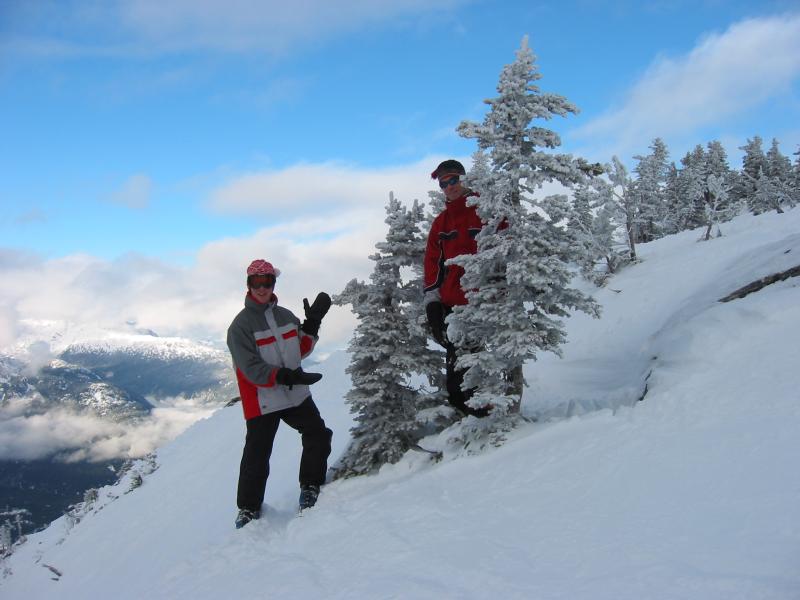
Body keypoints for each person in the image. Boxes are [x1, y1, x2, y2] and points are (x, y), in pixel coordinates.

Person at [227, 259, 333, 528]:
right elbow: (250, 369)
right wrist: (283, 376)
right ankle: (248, 509)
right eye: (256, 283)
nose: (262, 288)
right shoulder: (240, 327)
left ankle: (310, 485)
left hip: (294, 392)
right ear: (248, 285)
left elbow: (301, 350)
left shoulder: (286, 316)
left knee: (318, 434)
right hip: (262, 399)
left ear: (274, 283)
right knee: (257, 454)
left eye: (267, 282)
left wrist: (312, 325)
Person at [423, 159, 492, 418]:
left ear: (464, 180)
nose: (449, 186)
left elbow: (506, 250)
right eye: (444, 183)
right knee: (457, 382)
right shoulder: (441, 223)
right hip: (455, 305)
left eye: (453, 180)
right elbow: (433, 265)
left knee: (480, 371)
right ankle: (474, 420)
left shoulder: (486, 211)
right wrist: (432, 303)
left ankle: (495, 422)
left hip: (487, 303)